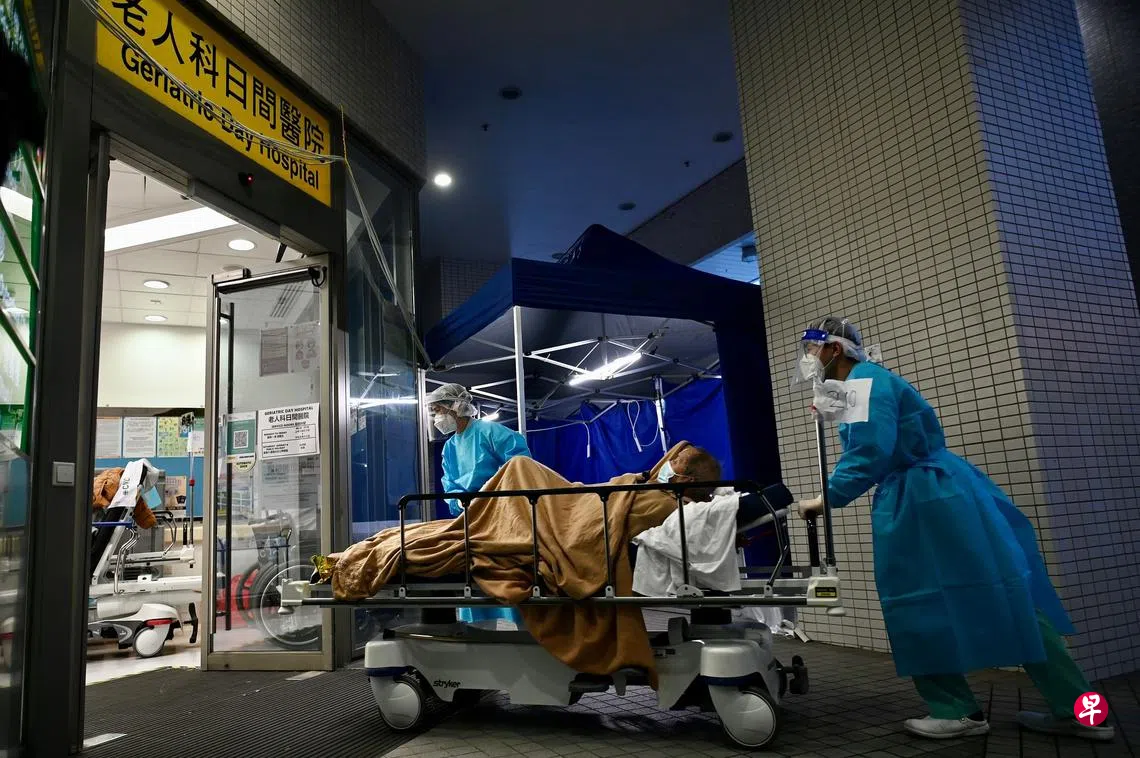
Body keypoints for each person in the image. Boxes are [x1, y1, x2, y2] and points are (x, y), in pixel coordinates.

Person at [793, 316, 1113, 742]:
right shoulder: (873, 381)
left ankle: (956, 710)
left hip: (919, 501)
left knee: (915, 601)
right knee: (1011, 597)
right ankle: (1083, 713)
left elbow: (869, 451)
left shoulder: (863, 383)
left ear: (834, 349)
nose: (808, 358)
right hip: (948, 492)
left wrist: (826, 497)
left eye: (811, 349)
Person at [427, 383, 532, 628]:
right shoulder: (449, 447)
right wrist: (459, 501)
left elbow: (520, 465)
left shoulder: (490, 432)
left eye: (438, 410)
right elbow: (450, 484)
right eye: (434, 412)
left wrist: (494, 495)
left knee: (509, 573)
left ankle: (527, 629)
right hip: (471, 515)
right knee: (476, 576)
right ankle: (479, 630)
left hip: (502, 513)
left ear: (456, 406)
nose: (436, 417)